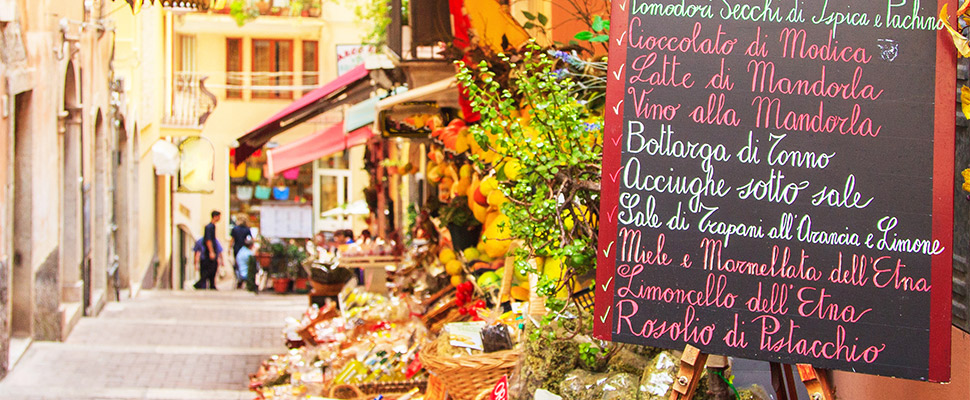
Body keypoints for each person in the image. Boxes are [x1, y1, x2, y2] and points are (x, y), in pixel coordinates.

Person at [196, 211, 221, 289]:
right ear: (215, 216)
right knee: (211, 268)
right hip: (209, 251)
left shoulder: (212, 226)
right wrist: (211, 251)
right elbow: (208, 240)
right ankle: (200, 284)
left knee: (212, 268)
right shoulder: (209, 227)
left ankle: (211, 284)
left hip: (211, 250)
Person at [230, 214, 253, 288]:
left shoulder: (235, 229)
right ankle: (244, 278)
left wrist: (229, 248)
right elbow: (250, 239)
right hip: (244, 248)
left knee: (237, 265)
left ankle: (239, 278)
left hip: (236, 248)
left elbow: (232, 240)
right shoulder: (247, 229)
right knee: (246, 264)